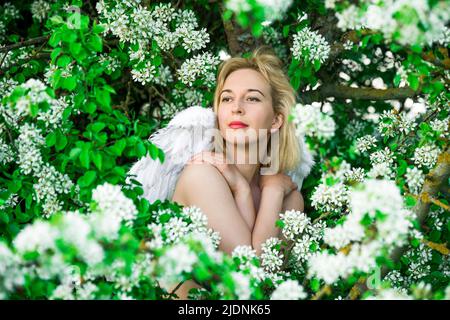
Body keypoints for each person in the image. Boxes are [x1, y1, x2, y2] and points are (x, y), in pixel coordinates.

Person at [169, 46, 305, 299]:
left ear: (276, 120)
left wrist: (270, 190)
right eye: (227, 98)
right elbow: (250, 274)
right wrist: (246, 190)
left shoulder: (289, 198)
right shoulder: (201, 175)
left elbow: (265, 288)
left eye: (252, 98)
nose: (237, 108)